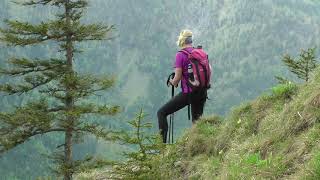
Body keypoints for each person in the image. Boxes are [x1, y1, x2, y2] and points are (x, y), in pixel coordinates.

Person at [157, 29, 207, 143]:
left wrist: (172, 82)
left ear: (182, 40)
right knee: (197, 122)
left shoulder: (180, 55)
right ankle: (199, 148)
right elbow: (209, 70)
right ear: (191, 40)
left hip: (189, 93)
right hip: (202, 91)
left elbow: (177, 78)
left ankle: (161, 147)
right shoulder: (199, 52)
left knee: (161, 113)